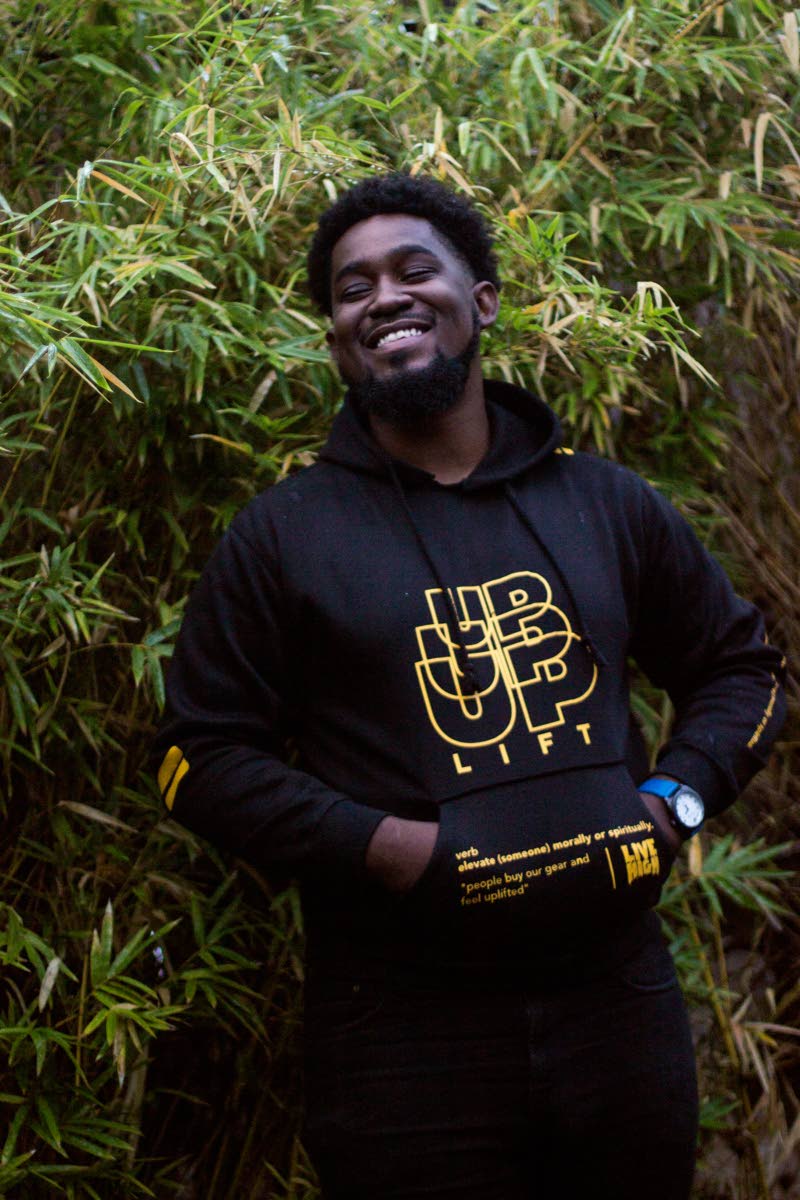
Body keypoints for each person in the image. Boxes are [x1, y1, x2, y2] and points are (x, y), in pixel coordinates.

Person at [153, 173, 786, 1200]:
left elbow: (741, 669)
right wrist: (389, 848)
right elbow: (198, 758)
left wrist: (673, 803)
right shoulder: (282, 537)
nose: (384, 297)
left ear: (481, 300)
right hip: (400, 1033)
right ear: (336, 340)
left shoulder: (604, 501)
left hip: (616, 1008)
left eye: (414, 270)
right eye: (352, 288)